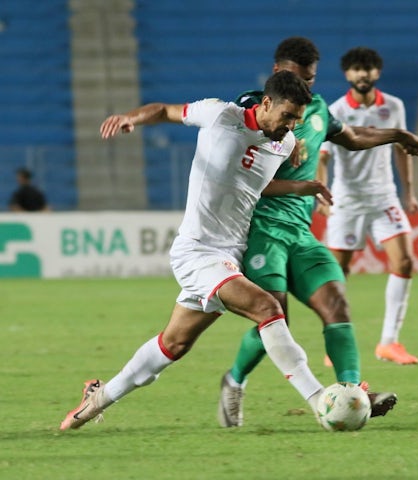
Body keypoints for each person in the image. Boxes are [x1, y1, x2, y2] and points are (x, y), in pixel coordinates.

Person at [60, 70, 333, 430]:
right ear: (266, 103)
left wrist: (301, 187)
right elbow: (164, 111)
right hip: (198, 251)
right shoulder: (220, 115)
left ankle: (96, 398)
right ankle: (321, 401)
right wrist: (131, 118)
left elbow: (252, 185)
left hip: (228, 257)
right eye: (287, 117)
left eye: (297, 119)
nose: (291, 126)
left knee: (173, 344)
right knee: (268, 307)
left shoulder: (283, 143)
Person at [218, 37, 418, 428]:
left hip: (300, 230)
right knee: (275, 317)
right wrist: (284, 142)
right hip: (262, 228)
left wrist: (397, 135)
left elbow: (351, 137)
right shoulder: (250, 107)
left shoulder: (315, 108)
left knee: (337, 305)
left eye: (313, 79)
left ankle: (352, 392)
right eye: (301, 78)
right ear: (280, 73)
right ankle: (234, 380)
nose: (309, 88)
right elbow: (236, 167)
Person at [318, 47, 418, 365]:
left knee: (403, 262)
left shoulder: (393, 106)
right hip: (346, 201)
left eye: (369, 68)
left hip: (383, 197)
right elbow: (323, 157)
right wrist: (320, 194)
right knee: (337, 273)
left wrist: (410, 190)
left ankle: (389, 342)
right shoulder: (334, 111)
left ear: (377, 72)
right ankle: (335, 342)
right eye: (357, 69)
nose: (363, 74)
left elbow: (402, 147)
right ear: (347, 74)